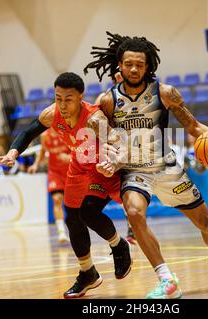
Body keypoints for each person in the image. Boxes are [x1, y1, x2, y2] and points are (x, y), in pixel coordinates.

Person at [84, 32, 208, 299]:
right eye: (128, 63)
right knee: (134, 212)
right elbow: (101, 133)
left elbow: (193, 125)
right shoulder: (107, 100)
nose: (133, 69)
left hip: (166, 169)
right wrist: (108, 154)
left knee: (206, 222)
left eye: (139, 64)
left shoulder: (165, 93)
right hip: (135, 171)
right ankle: (167, 280)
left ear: (148, 66)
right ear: (119, 64)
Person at [0, 72, 131, 298]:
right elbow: (28, 132)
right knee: (71, 217)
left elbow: (118, 143)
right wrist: (13, 152)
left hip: (101, 167)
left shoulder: (94, 119)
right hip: (78, 164)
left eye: (68, 99)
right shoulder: (52, 114)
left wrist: (114, 160)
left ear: (80, 97)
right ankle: (88, 273)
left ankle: (118, 245)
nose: (62, 105)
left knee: (88, 212)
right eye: (58, 98)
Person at [95, 72, 137, 245]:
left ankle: (132, 228)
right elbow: (94, 122)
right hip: (113, 146)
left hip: (134, 146)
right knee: (120, 192)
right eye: (118, 75)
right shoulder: (104, 98)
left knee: (132, 190)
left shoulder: (137, 96)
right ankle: (128, 229)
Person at [28, 127, 70, 243]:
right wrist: (35, 165)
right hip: (54, 172)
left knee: (72, 203)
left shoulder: (65, 131)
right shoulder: (45, 136)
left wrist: (71, 157)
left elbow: (76, 148)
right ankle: (61, 231)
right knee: (57, 199)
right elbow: (42, 151)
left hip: (69, 170)